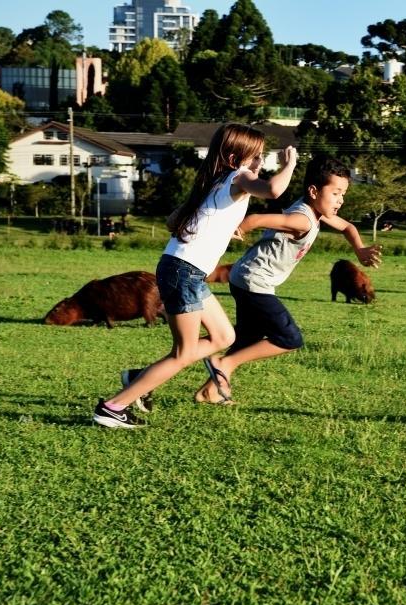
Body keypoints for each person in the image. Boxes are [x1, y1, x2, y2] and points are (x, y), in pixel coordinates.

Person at [92, 123, 298, 428]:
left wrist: (221, 228)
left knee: (224, 336)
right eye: (255, 156)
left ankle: (139, 378)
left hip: (184, 271)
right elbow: (274, 190)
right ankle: (112, 408)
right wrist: (290, 163)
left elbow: (171, 221)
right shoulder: (239, 177)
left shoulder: (212, 184)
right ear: (233, 157)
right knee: (184, 352)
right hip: (183, 273)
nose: (259, 163)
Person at [192, 156, 382, 405]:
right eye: (336, 193)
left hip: (246, 277)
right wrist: (242, 227)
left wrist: (359, 250)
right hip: (253, 281)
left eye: (343, 193)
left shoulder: (315, 211)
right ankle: (223, 363)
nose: (341, 200)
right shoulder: (302, 219)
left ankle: (207, 388)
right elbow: (258, 219)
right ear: (314, 191)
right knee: (289, 338)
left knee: (247, 337)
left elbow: (347, 227)